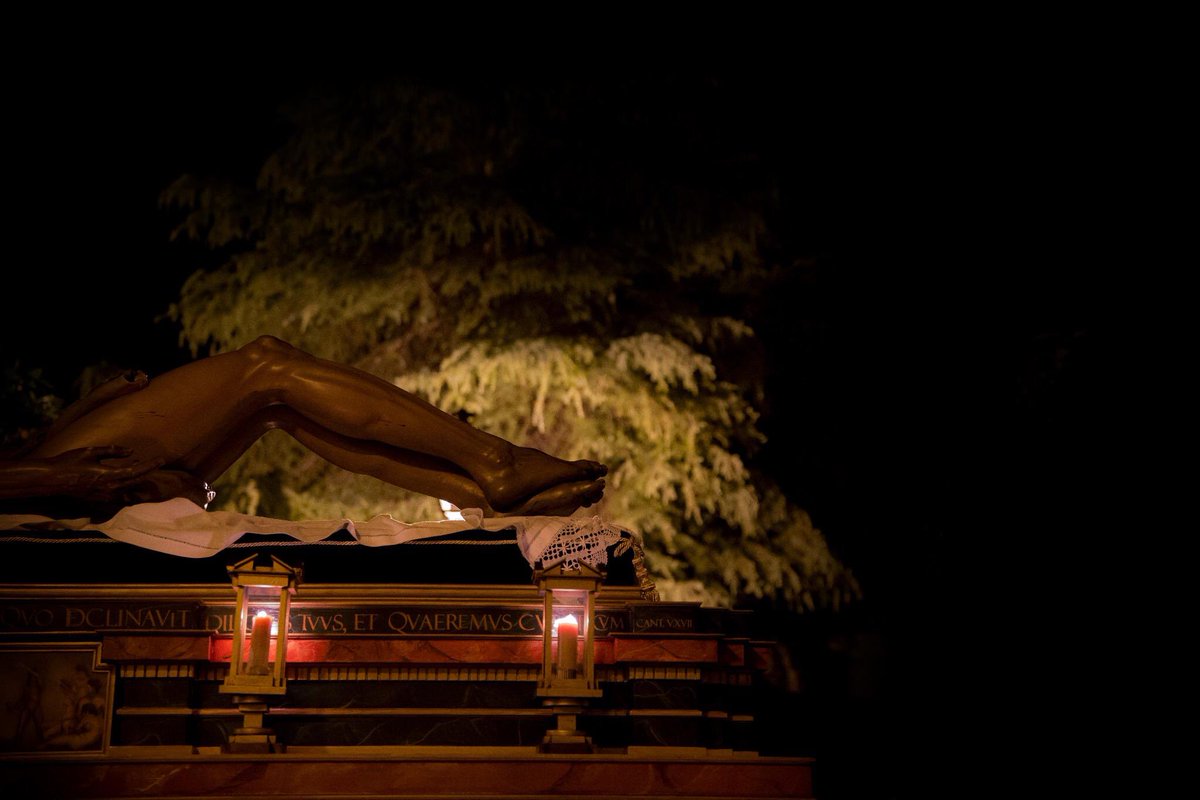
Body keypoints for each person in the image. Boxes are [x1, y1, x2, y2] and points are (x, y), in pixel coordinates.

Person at [0, 336, 606, 521]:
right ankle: (497, 462)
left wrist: (79, 414)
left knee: (274, 406)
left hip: (42, 470)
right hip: (44, 485)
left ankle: (485, 495)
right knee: (265, 366)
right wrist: (63, 473)